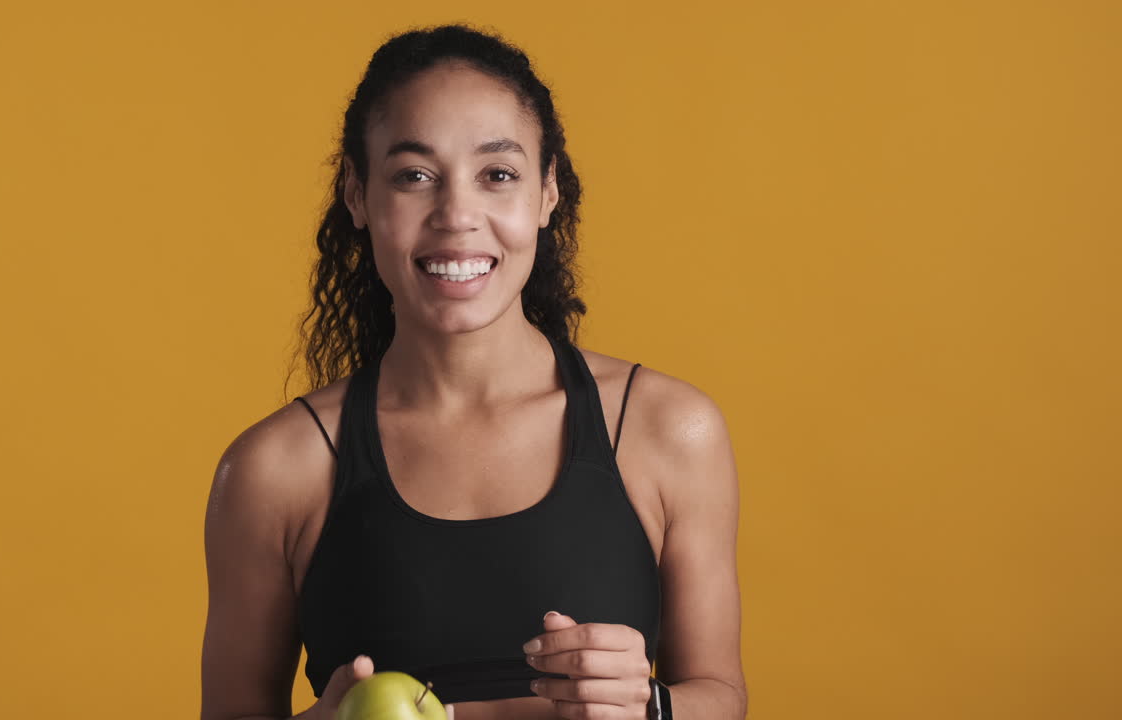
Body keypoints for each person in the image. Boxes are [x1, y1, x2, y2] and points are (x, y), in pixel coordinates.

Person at [201, 23, 746, 720]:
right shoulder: (272, 470)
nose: (457, 215)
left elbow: (722, 696)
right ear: (358, 196)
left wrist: (651, 708)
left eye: (498, 175)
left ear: (547, 191)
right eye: (414, 176)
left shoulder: (669, 430)